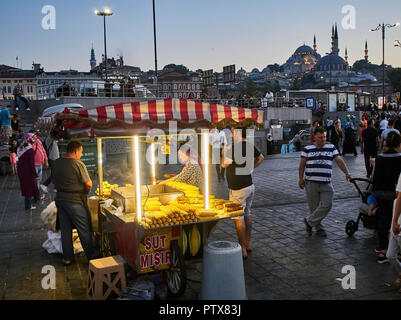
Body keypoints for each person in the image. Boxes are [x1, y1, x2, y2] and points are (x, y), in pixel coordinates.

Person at [51, 141, 98, 266]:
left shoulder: (56, 163)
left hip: (60, 200)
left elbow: (53, 180)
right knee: (84, 229)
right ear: (76, 151)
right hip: (75, 201)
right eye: (81, 152)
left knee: (65, 230)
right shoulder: (78, 164)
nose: (81, 155)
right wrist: (85, 192)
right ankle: (92, 257)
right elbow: (88, 184)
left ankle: (67, 258)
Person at [299, 127, 352, 237]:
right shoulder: (308, 148)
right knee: (314, 207)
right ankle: (319, 228)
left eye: (325, 137)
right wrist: (300, 179)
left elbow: (339, 161)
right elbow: (302, 164)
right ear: (315, 137)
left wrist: (347, 172)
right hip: (311, 183)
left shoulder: (331, 147)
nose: (323, 139)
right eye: (320, 137)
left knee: (327, 204)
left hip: (326, 183)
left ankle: (309, 222)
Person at [222, 127, 264, 259]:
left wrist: (224, 151)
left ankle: (242, 249)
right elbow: (261, 157)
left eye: (234, 132)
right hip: (249, 185)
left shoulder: (235, 148)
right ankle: (248, 243)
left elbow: (224, 164)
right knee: (247, 213)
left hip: (238, 188)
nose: (232, 134)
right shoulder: (250, 146)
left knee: (238, 217)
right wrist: (251, 168)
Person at [373, 131, 401, 263]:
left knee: (383, 220)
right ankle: (397, 251)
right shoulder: (400, 158)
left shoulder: (380, 157)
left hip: (380, 193)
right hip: (394, 194)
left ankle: (383, 250)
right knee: (396, 221)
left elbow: (374, 177)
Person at [17, 133, 40, 211]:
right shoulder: (30, 150)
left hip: (21, 170)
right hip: (28, 171)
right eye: (33, 138)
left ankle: (34, 200)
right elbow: (31, 164)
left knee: (26, 187)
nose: (34, 139)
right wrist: (35, 174)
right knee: (29, 188)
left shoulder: (20, 148)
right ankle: (28, 206)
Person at [386, 174, 401, 290]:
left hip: (399, 227)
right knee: (390, 255)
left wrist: (395, 222)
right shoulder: (395, 201)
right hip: (395, 229)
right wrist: (391, 228)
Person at [30, 131, 48, 202]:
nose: (35, 136)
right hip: (34, 165)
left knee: (38, 181)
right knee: (35, 181)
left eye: (35, 135)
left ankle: (36, 196)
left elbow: (43, 151)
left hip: (40, 164)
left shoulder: (39, 141)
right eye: (33, 135)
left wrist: (46, 160)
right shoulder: (29, 143)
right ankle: (35, 197)